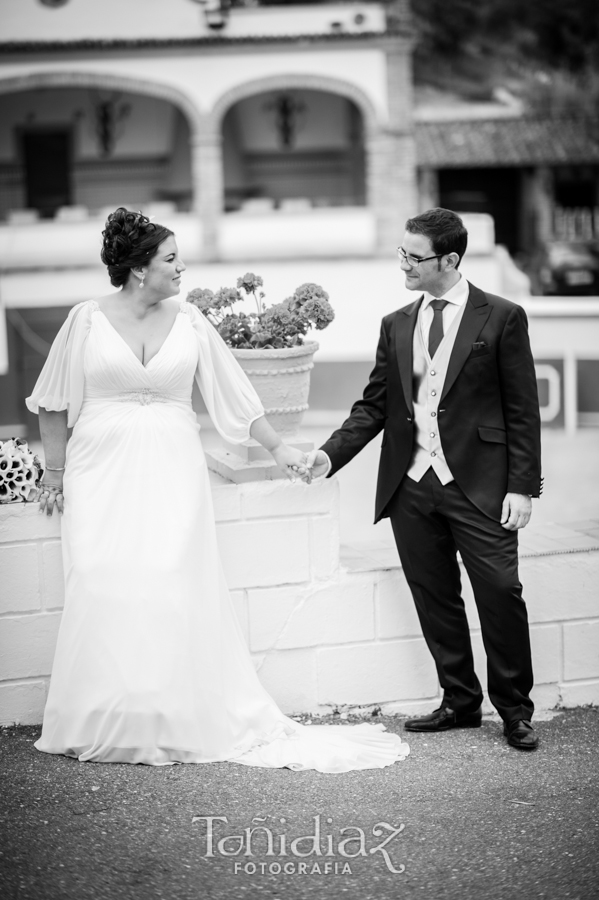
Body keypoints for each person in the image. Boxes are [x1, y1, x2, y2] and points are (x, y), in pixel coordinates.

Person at [28, 207, 409, 772]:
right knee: (101, 580)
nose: (182, 268)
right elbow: (54, 401)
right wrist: (54, 473)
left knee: (168, 582)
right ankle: (103, 716)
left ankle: (174, 716)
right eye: (171, 259)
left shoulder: (190, 320)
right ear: (138, 269)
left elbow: (233, 395)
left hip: (172, 468)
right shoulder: (84, 320)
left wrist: (280, 449)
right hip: (99, 469)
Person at [307, 208, 542, 751]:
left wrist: (522, 487)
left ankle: (514, 710)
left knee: (501, 593)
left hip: (481, 484)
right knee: (435, 596)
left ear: (450, 259)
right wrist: (328, 456)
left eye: (415, 257)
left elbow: (522, 410)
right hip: (412, 485)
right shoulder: (396, 323)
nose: (404, 266)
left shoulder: (502, 316)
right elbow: (374, 407)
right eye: (403, 254)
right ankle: (460, 701)